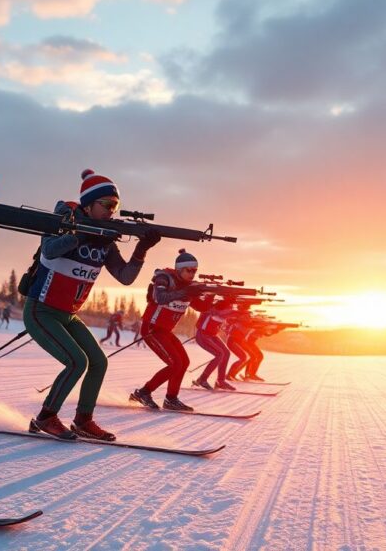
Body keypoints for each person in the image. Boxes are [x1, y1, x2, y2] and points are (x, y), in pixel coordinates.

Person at [23, 170, 160, 441]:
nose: (112, 211)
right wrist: (83, 234)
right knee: (76, 362)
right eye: (107, 205)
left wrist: (142, 249)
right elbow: (50, 250)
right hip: (41, 310)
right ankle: (46, 417)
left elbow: (125, 276)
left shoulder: (105, 239)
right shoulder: (62, 223)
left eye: (115, 206)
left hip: (68, 316)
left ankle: (83, 420)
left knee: (98, 362)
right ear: (88, 205)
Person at [130, 250, 213, 411]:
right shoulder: (164, 278)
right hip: (152, 328)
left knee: (183, 362)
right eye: (189, 270)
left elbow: (201, 307)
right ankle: (143, 393)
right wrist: (188, 292)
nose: (192, 274)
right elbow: (160, 298)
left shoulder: (189, 286)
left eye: (195, 271)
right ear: (179, 269)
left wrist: (212, 298)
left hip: (165, 331)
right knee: (174, 363)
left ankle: (171, 399)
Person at [191, 297, 237, 391]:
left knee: (226, 353)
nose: (230, 308)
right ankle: (202, 379)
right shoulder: (211, 309)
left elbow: (229, 314)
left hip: (212, 335)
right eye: (229, 306)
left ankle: (220, 381)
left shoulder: (224, 310)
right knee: (219, 354)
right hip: (203, 335)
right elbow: (219, 311)